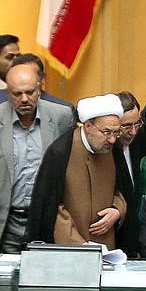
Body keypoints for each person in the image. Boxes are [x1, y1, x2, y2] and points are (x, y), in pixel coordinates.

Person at [0, 54, 75, 253]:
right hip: (3, 223)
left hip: (47, 219)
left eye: (30, 92)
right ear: (7, 93)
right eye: (16, 94)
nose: (24, 99)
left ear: (40, 88)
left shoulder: (61, 116)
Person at [25, 94, 128, 249]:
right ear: (88, 126)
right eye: (106, 132)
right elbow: (51, 209)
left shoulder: (114, 149)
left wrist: (117, 210)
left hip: (108, 245)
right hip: (70, 247)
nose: (112, 139)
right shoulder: (61, 152)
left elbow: (123, 190)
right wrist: (80, 245)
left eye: (116, 132)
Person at [114, 91, 144, 258]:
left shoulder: (137, 138)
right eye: (126, 126)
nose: (133, 132)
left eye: (136, 124)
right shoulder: (105, 150)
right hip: (114, 233)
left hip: (134, 233)